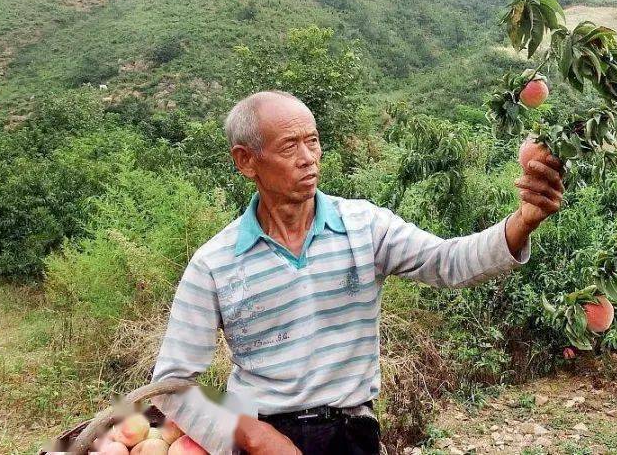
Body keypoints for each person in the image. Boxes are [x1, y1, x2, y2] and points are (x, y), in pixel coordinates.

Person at [150, 90, 564, 454]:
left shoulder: (364, 226)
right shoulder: (215, 263)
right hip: (263, 436)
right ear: (246, 161)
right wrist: (252, 436)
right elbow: (171, 382)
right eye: (290, 145)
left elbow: (448, 262)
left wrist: (522, 221)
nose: (308, 158)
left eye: (313, 141)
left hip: (351, 434)